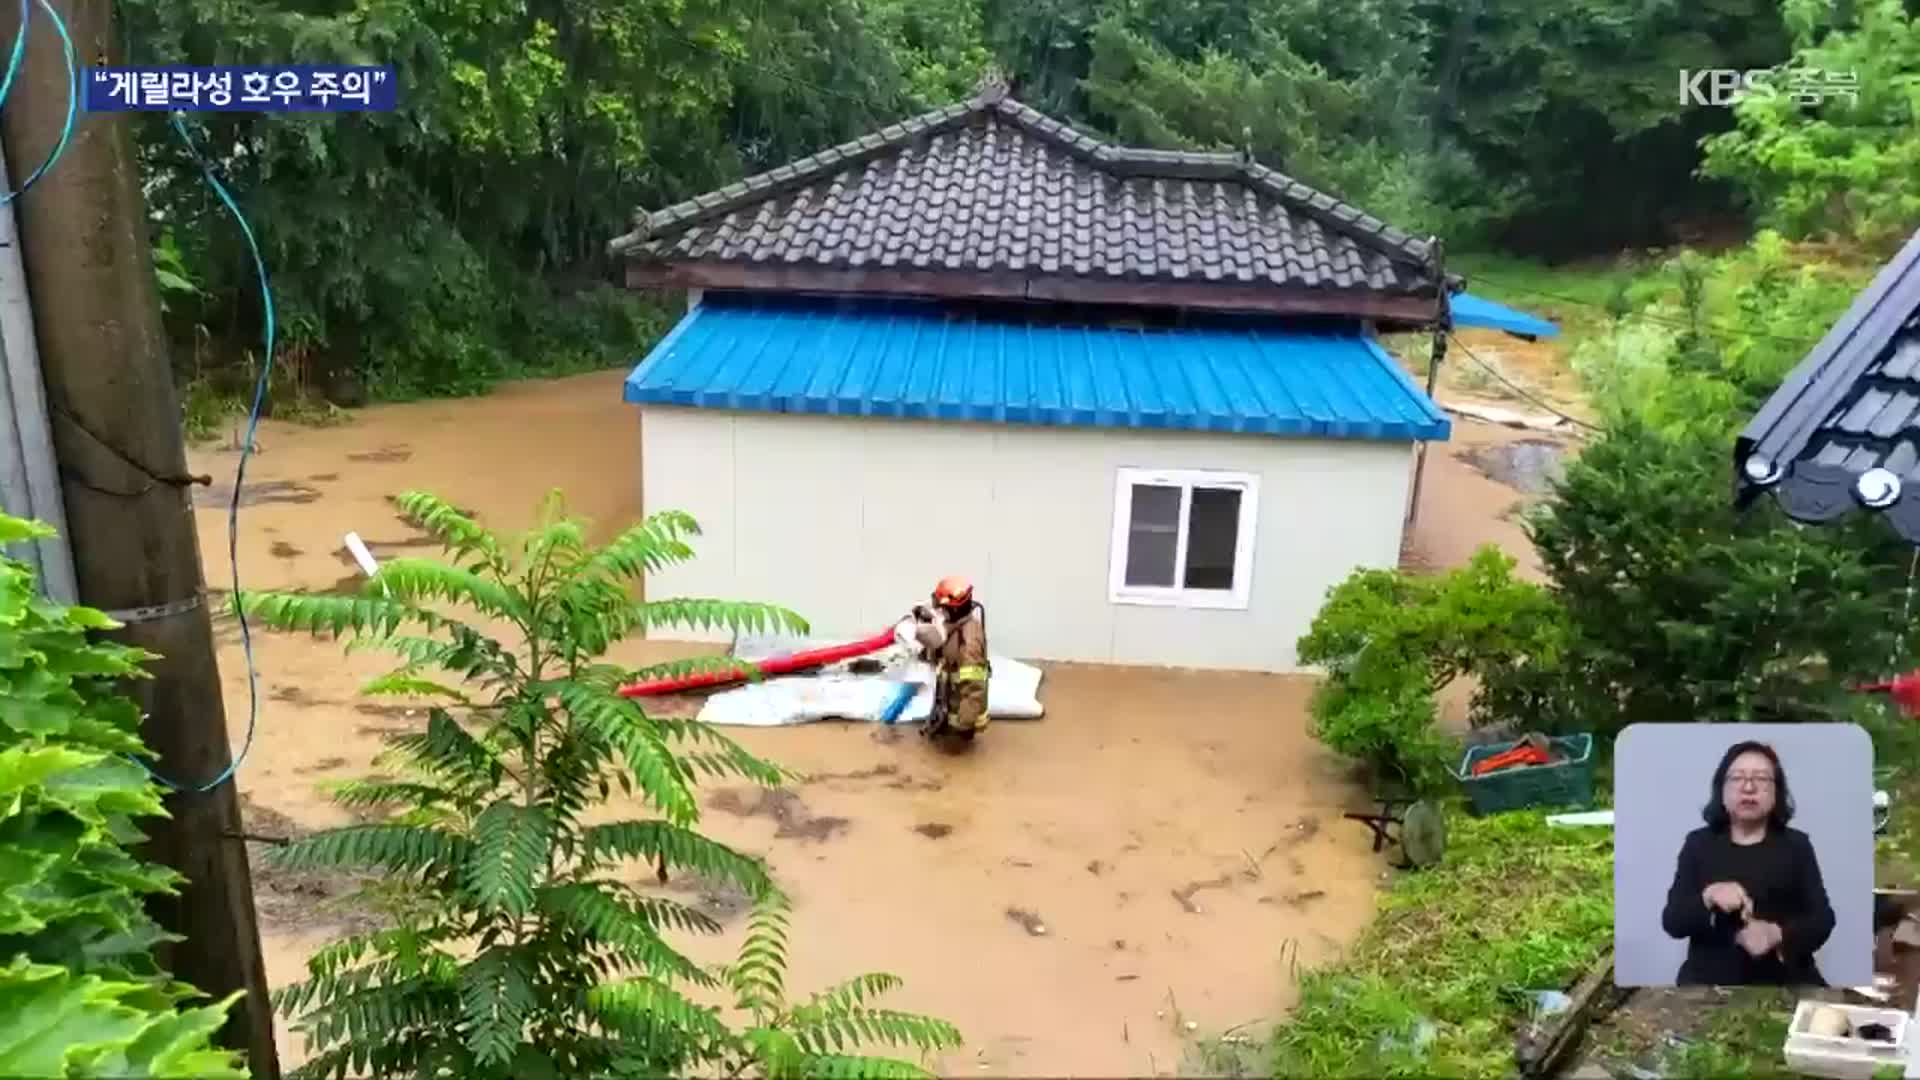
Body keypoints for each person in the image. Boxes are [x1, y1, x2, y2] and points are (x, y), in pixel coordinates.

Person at [1660, 740, 1834, 986]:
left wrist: (1777, 934)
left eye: (1761, 779)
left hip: (1786, 983)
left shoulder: (1797, 845)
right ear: (1722, 789)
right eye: (1738, 778)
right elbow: (1673, 922)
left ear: (1777, 791)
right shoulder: (1698, 844)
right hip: (1710, 985)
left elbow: (1823, 919)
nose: (1749, 787)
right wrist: (1709, 896)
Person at [915, 575, 989, 747]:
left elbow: (974, 687)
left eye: (943, 608)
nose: (940, 611)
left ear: (955, 610)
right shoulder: (957, 625)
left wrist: (962, 726)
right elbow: (945, 653)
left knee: (950, 764)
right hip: (947, 705)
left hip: (958, 720)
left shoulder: (969, 643)